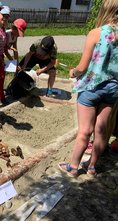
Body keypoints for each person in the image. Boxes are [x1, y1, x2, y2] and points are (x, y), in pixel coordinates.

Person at [58, 0, 118, 178]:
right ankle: (92, 167)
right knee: (100, 130)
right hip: (114, 88)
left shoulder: (97, 33)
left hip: (92, 87)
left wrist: (73, 72)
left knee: (85, 130)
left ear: (105, 10)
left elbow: (82, 67)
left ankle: (73, 167)